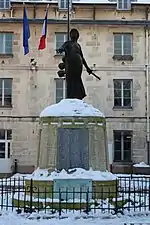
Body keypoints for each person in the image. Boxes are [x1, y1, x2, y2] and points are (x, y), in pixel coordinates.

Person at [57, 28, 92, 100]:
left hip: (78, 66)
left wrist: (87, 68)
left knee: (77, 80)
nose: (73, 34)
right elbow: (62, 47)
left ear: (77, 36)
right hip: (70, 65)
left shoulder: (78, 45)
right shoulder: (68, 43)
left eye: (75, 33)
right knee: (70, 80)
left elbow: (82, 58)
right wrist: (60, 49)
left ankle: (79, 95)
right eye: (72, 33)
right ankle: (70, 97)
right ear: (70, 35)